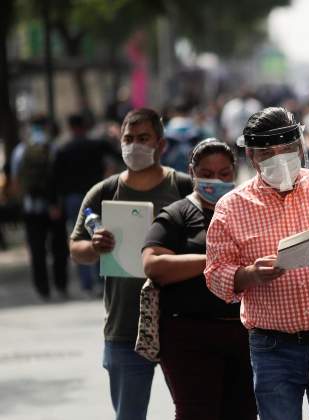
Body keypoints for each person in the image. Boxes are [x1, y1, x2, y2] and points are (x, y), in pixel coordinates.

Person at [205, 107, 309, 420]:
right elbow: (216, 274)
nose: (279, 158)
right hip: (273, 347)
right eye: (267, 153)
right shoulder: (231, 208)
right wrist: (248, 274)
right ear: (251, 157)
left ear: (300, 147)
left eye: (287, 149)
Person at [69, 108, 194, 420]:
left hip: (181, 323)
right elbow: (76, 248)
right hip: (125, 328)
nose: (134, 145)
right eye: (128, 139)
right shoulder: (104, 192)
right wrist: (94, 247)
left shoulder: (184, 189)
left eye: (143, 138)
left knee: (195, 410)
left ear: (161, 145)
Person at [142, 139, 257, 420]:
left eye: (223, 174)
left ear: (235, 172)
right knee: (197, 412)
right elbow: (153, 264)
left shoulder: (248, 211)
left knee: (244, 412)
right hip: (188, 336)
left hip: (245, 336)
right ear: (192, 173)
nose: (215, 180)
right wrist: (213, 263)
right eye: (206, 174)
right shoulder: (178, 215)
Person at [53, 113, 121, 295]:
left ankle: (86, 285)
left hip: (73, 199)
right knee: (100, 235)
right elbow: (119, 155)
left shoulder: (63, 148)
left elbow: (55, 178)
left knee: (79, 238)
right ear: (85, 125)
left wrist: (57, 203)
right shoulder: (96, 144)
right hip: (95, 197)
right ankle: (101, 281)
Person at [10, 115, 69, 300]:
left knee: (37, 250)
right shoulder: (55, 148)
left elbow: (15, 178)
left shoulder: (21, 150)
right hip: (55, 207)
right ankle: (61, 285)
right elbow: (61, 179)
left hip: (31, 207)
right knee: (59, 249)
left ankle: (42, 289)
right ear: (46, 127)